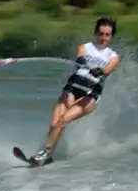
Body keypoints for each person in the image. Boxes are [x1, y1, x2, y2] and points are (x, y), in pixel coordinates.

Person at [30, 16, 121, 165]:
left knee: (63, 120)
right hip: (72, 89)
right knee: (55, 124)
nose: (103, 38)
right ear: (96, 33)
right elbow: (80, 58)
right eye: (101, 34)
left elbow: (109, 68)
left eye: (107, 35)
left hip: (90, 96)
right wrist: (82, 62)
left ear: (111, 36)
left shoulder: (113, 56)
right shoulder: (84, 47)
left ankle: (44, 152)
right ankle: (49, 155)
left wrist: (102, 70)